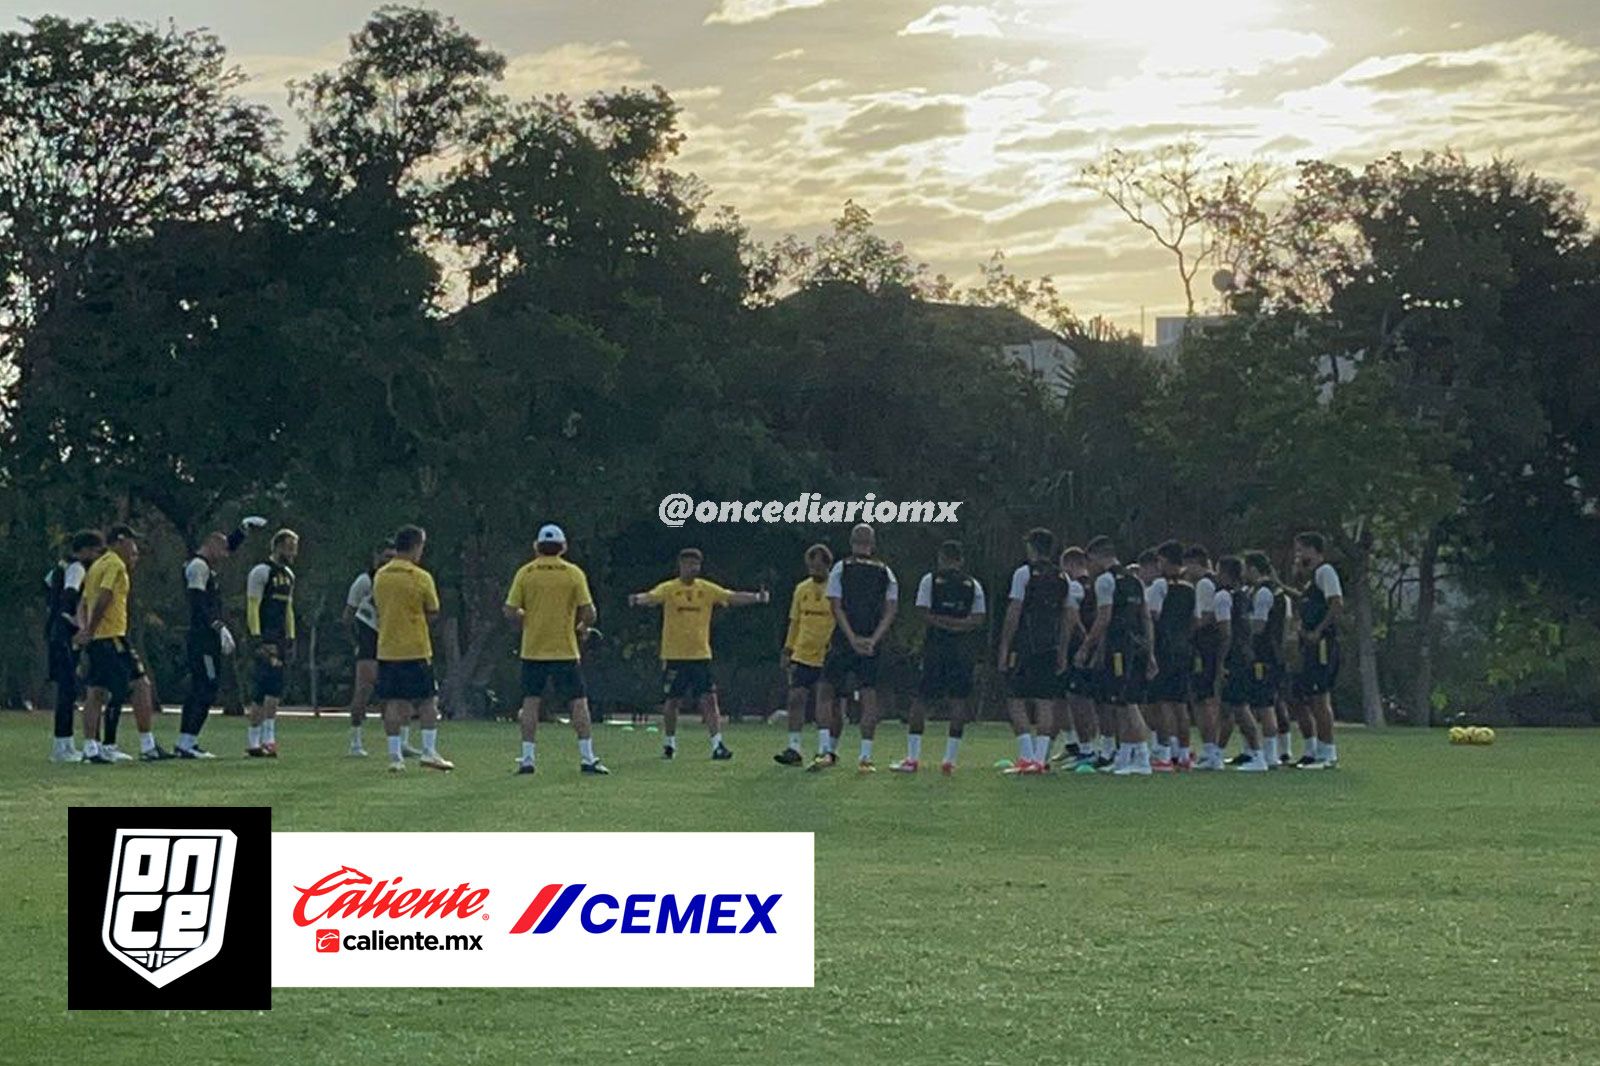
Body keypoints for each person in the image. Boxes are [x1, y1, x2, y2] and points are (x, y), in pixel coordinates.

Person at [629, 547, 769, 761]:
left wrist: (757, 598)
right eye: (688, 564)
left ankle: (717, 744)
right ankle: (669, 743)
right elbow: (652, 597)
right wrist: (638, 599)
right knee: (672, 702)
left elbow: (730, 596)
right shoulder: (669, 588)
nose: (692, 568)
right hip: (675, 655)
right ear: (680, 565)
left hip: (700, 655)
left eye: (696, 564)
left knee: (709, 699)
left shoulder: (706, 589)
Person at [504, 524, 607, 776]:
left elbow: (509, 610)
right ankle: (587, 757)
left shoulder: (526, 573)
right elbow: (590, 612)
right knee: (578, 703)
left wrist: (527, 618)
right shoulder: (573, 573)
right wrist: (581, 626)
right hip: (565, 649)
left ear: (537, 546)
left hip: (533, 649)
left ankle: (527, 759)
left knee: (530, 703)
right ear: (563, 547)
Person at [74, 525, 172, 763]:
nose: (134, 550)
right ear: (120, 541)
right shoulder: (114, 564)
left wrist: (84, 629)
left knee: (95, 691)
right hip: (113, 636)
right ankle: (131, 745)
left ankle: (91, 747)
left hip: (99, 639)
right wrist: (92, 628)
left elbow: (83, 604)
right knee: (135, 686)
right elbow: (105, 598)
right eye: (132, 544)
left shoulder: (95, 566)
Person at [177, 516, 267, 758]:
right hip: (202, 638)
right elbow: (198, 603)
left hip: (208, 637)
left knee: (206, 686)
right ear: (212, 546)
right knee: (204, 687)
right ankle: (186, 743)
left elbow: (227, 547)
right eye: (223, 550)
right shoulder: (198, 567)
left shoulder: (207, 565)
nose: (226, 556)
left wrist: (242, 530)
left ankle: (187, 741)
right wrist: (218, 626)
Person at [810, 524, 897, 773]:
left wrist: (851, 637)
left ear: (851, 542)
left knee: (826, 693)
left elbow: (835, 606)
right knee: (869, 696)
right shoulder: (886, 572)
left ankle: (825, 750)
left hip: (842, 640)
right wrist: (873, 639)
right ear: (873, 543)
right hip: (871, 642)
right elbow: (891, 610)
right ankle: (865, 756)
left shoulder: (841, 568)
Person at [894, 540, 985, 774]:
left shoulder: (930, 580)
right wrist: (958, 625)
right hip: (962, 649)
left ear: (941, 558)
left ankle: (912, 758)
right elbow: (977, 618)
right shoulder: (972, 584)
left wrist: (943, 623)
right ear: (961, 560)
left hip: (936, 647)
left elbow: (923, 611)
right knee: (958, 701)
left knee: (921, 699)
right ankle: (949, 759)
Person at [372, 525, 453, 772]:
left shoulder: (381, 576)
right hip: (416, 648)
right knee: (428, 700)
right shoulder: (420, 577)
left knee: (394, 703)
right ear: (416, 546)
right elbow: (433, 610)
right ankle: (428, 750)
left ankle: (395, 756)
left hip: (387, 648)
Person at [1075, 536, 1157, 775]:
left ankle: (1141, 756)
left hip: (1119, 647)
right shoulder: (1135, 580)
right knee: (1121, 701)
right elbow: (1145, 618)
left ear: (1096, 558)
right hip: (1137, 645)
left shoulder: (1106, 581)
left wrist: (1086, 647)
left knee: (1125, 702)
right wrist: (1150, 652)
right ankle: (1125, 756)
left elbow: (1104, 618)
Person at [997, 528, 1067, 774]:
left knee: (1015, 699)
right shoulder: (1062, 577)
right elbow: (1066, 617)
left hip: (1025, 645)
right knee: (1045, 702)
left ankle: (1027, 757)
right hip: (1051, 645)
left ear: (1033, 547)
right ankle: (1040, 759)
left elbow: (1014, 610)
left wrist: (1005, 646)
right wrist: (1063, 651)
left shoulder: (1024, 573)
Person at [44, 530, 105, 762]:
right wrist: (78, 628)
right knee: (67, 689)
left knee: (68, 688)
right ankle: (62, 745)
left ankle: (65, 744)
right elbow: (69, 599)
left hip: (58, 631)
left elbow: (48, 588)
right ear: (87, 550)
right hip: (64, 634)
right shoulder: (77, 569)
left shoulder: (60, 567)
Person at [775, 545, 835, 766]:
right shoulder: (801, 589)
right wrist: (788, 649)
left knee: (824, 701)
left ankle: (824, 749)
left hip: (827, 654)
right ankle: (794, 747)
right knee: (796, 698)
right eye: (811, 566)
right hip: (803, 654)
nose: (814, 570)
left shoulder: (836, 589)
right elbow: (795, 622)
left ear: (827, 565)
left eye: (818, 566)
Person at [1233, 551, 1291, 772]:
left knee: (1264, 705)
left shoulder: (1265, 592)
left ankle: (1267, 756)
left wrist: (1245, 635)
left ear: (1254, 569)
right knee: (1263, 704)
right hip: (1271, 653)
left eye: (1246, 569)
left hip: (1263, 655)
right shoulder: (1274, 591)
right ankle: (1260, 753)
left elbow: (1259, 626)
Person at [245, 529, 299, 757]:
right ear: (276, 546)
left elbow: (288, 609)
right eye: (289, 547)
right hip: (265, 636)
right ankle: (264, 738)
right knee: (265, 688)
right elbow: (253, 605)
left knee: (272, 689)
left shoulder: (289, 576)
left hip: (280, 638)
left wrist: (291, 637)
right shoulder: (261, 572)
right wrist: (257, 638)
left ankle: (258, 739)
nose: (293, 552)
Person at [1292, 531, 1343, 768]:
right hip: (1309, 644)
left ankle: (1327, 753)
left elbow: (1336, 603)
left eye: (1302, 549)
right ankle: (1315, 751)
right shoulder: (1310, 579)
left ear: (1314, 550)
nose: (1298, 554)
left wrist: (1319, 631)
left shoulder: (1325, 572)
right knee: (1309, 698)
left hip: (1322, 644)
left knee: (1320, 698)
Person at [344, 540, 397, 758]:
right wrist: (356, 643)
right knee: (363, 690)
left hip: (390, 640)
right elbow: (348, 615)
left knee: (393, 694)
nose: (388, 562)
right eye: (385, 557)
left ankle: (397, 741)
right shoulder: (364, 581)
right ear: (375, 556)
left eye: (392, 557)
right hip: (368, 639)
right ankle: (355, 740)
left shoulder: (396, 581)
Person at [1145, 540, 1194, 772]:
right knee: (1180, 703)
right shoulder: (1189, 588)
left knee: (1162, 702)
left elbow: (1152, 617)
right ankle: (1183, 754)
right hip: (1184, 648)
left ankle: (1165, 753)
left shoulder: (1159, 586)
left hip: (1164, 648)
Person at [1055, 546, 1103, 772]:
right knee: (1091, 701)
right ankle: (1093, 747)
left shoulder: (1074, 586)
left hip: (1079, 650)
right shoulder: (1096, 585)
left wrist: (1072, 649)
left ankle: (1085, 750)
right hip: (1098, 648)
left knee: (1077, 700)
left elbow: (1071, 619)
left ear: (1070, 565)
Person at [1185, 544, 1224, 770]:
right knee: (1207, 698)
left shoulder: (1204, 584)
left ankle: (1210, 750)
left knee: (1203, 700)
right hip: (1211, 646)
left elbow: (1205, 616)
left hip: (1204, 646)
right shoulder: (1215, 582)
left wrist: (1187, 631)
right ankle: (1212, 750)